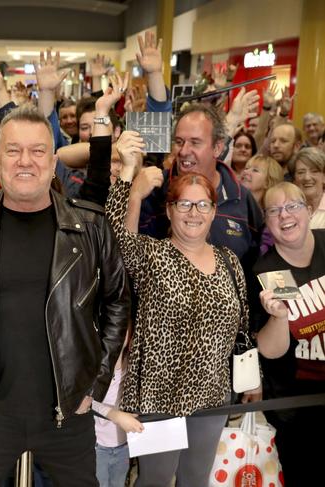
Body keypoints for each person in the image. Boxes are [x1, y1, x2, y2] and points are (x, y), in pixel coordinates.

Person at [0, 103, 130, 486]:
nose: (25, 161)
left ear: (53, 164)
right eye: (13, 150)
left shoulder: (90, 226)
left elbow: (117, 301)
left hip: (69, 412)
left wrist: (96, 384)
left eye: (37, 151)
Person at [106, 131, 256, 486]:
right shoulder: (152, 255)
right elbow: (112, 237)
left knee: (196, 479)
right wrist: (131, 180)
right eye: (184, 204)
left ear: (214, 211)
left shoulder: (229, 260)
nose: (194, 212)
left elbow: (241, 325)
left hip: (213, 394)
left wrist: (252, 376)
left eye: (202, 204)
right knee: (155, 481)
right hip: (157, 396)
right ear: (170, 210)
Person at [131, 103, 264, 271]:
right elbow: (129, 255)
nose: (184, 151)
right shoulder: (153, 190)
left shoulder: (241, 199)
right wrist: (134, 195)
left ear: (217, 148)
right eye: (179, 142)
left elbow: (256, 266)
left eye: (195, 142)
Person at [253, 182, 325, 486]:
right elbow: (272, 351)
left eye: (292, 206)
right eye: (274, 210)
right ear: (267, 222)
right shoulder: (271, 270)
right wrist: (279, 317)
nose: (284, 216)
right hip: (297, 407)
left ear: (308, 210)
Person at [288, 147, 325, 228]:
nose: (307, 177)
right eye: (301, 172)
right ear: (294, 180)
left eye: (314, 171)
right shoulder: (287, 210)